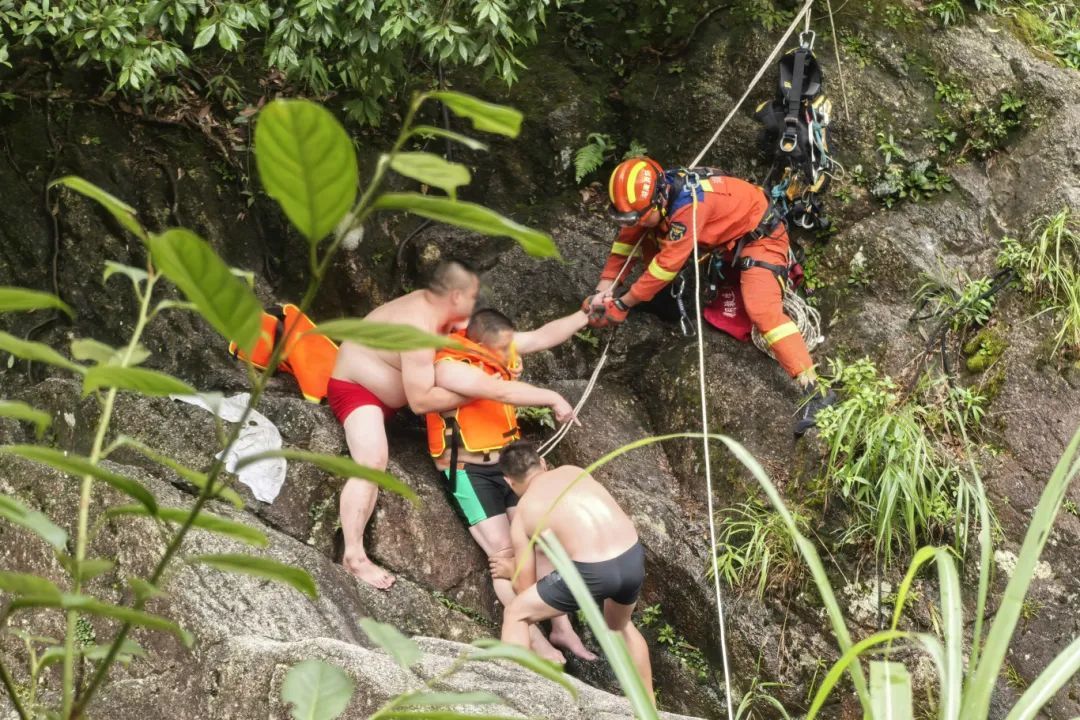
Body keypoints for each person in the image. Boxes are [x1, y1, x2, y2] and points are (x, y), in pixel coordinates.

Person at [585, 156, 836, 436]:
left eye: (639, 216)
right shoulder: (652, 197)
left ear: (659, 199)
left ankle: (817, 393)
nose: (635, 222)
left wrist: (622, 303)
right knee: (648, 235)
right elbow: (626, 242)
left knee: (762, 311)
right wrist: (602, 290)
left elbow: (666, 267)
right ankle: (661, 301)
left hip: (761, 238)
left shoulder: (689, 207)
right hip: (729, 239)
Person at [426, 307, 592, 662]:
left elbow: (545, 334)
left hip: (507, 466)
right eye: (501, 349)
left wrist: (587, 314)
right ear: (478, 343)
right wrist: (552, 397)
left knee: (539, 545)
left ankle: (562, 628)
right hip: (469, 473)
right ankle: (534, 638)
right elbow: (498, 392)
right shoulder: (448, 364)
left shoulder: (499, 346)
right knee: (503, 556)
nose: (509, 355)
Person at [328, 259, 480, 590]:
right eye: (472, 296)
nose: (475, 303)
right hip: (356, 391)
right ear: (454, 295)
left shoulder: (436, 308)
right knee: (371, 462)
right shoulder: (418, 327)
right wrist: (474, 394)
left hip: (388, 395)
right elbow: (421, 402)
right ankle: (353, 555)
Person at [494, 441, 652, 698]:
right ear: (542, 463)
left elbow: (524, 587)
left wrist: (511, 568)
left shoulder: (523, 512)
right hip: (632, 556)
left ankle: (511, 701)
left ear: (509, 482)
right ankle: (648, 707)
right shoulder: (574, 471)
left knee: (516, 614)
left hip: (593, 571)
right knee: (620, 625)